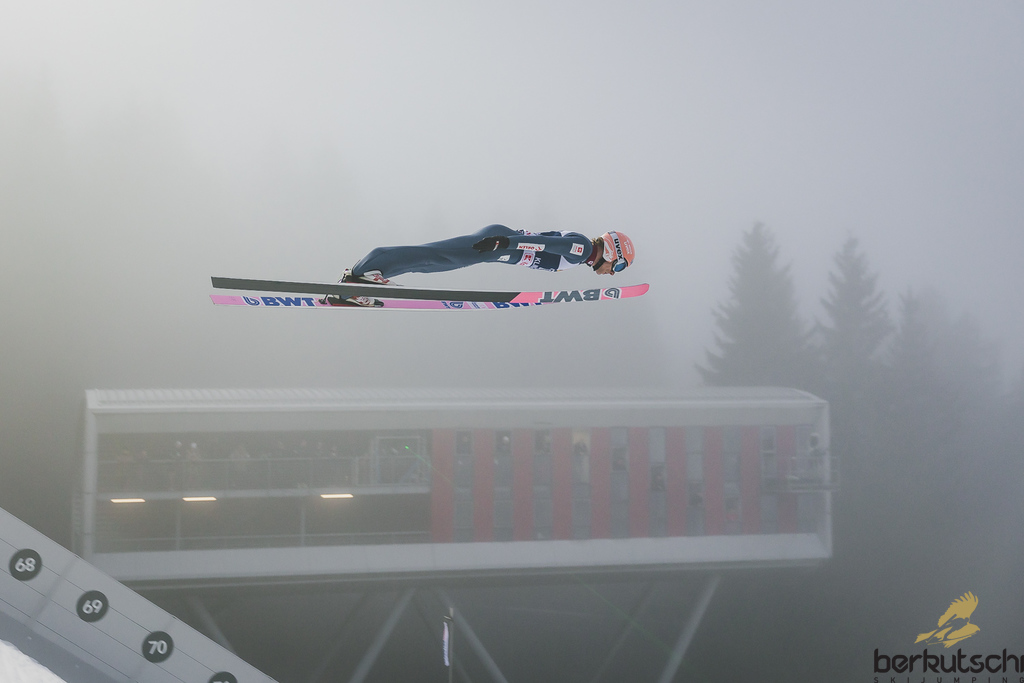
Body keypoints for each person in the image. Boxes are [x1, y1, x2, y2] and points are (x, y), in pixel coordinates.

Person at [324, 224, 635, 306]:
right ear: (611, 252)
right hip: (495, 245)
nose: (612, 273)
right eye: (618, 267)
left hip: (497, 249)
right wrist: (504, 243)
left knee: (431, 263)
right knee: (433, 256)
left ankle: (362, 281)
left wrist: (503, 246)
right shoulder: (582, 249)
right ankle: (363, 272)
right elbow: (543, 244)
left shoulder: (582, 253)